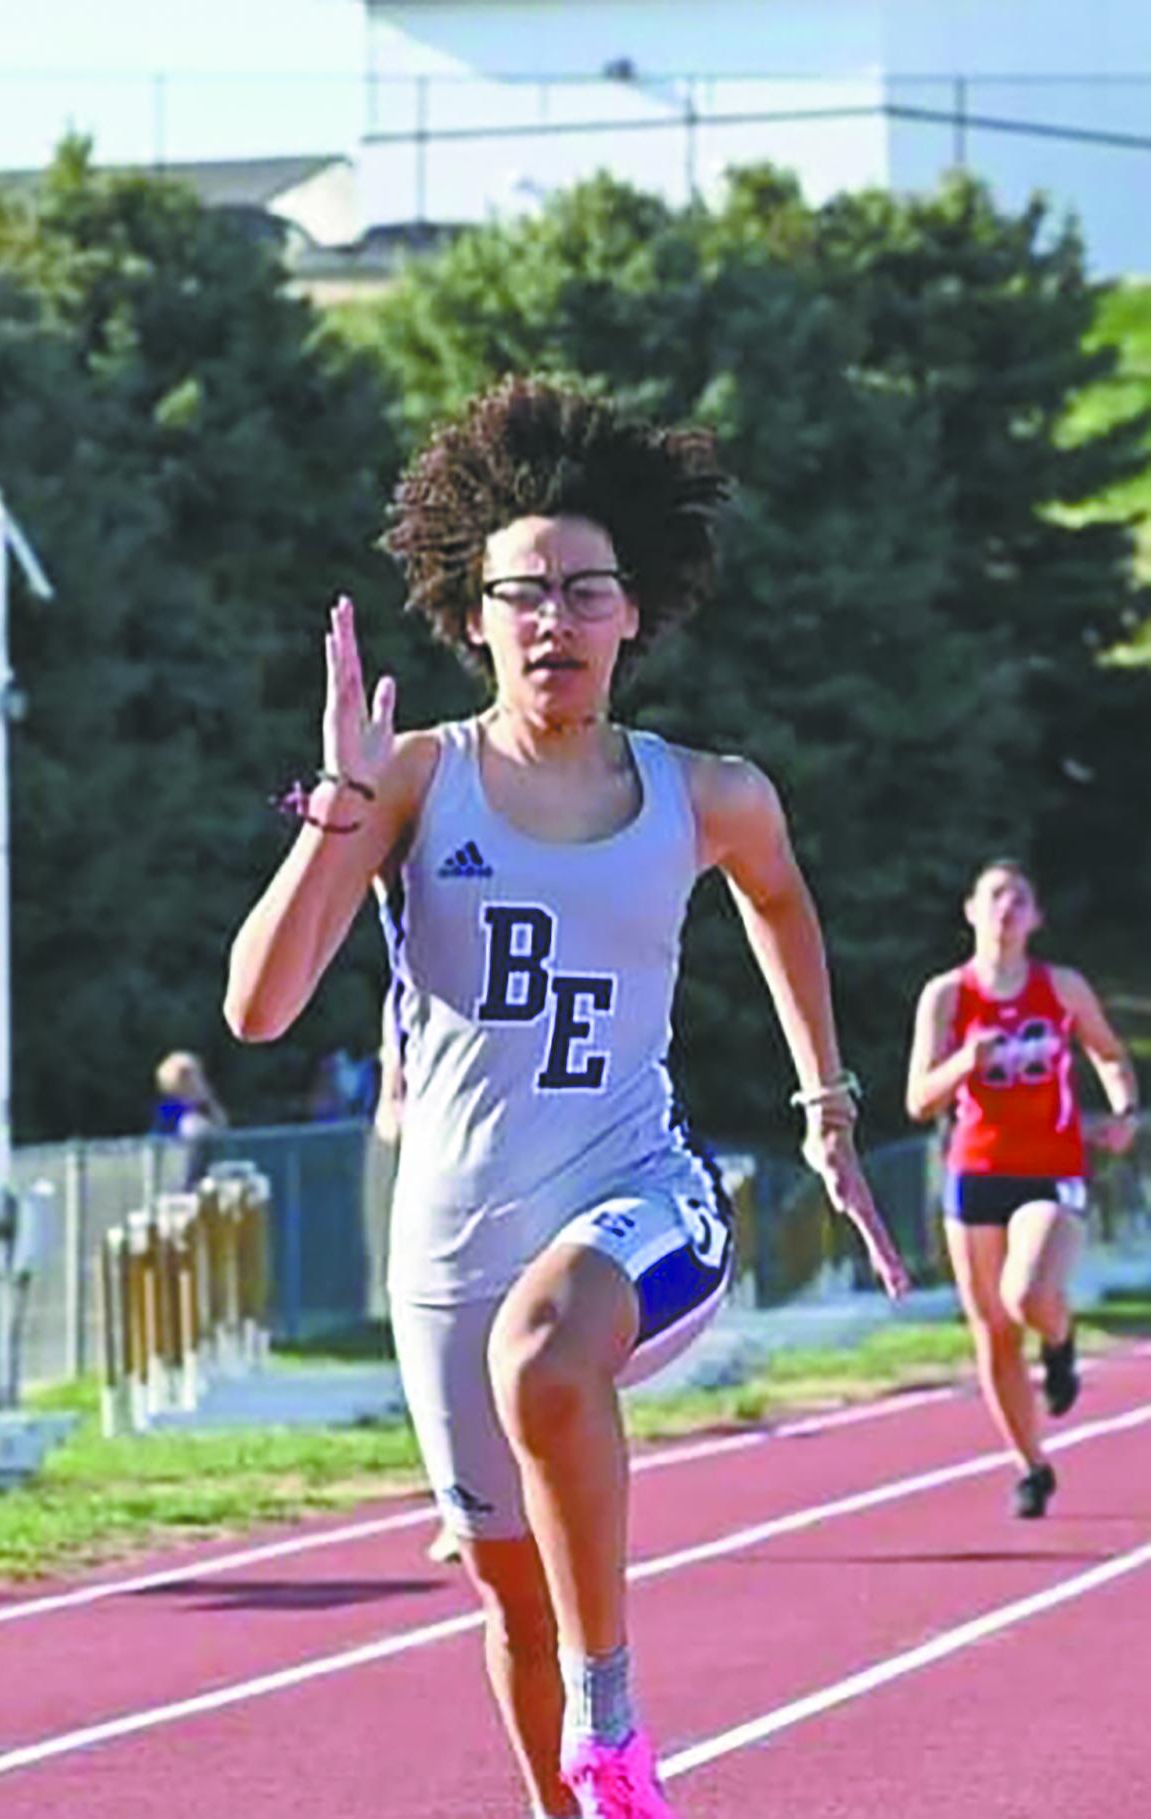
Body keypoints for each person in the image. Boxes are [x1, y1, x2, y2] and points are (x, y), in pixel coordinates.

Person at [224, 378, 909, 1819]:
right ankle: (582, 1785)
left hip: (643, 1196)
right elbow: (260, 1004)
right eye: (520, 592)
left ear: (631, 614)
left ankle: (615, 1719)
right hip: (451, 1243)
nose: (553, 619)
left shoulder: (707, 793)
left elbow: (781, 904)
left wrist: (826, 1099)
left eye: (583, 591)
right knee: (509, 1597)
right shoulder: (414, 781)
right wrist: (337, 809)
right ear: (473, 616)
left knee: (547, 1355)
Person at [905, 859, 1140, 1518]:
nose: (1006, 907)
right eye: (994, 895)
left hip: (1051, 1165)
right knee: (993, 1332)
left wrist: (1121, 1112)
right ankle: (1030, 1463)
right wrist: (962, 1062)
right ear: (971, 911)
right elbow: (917, 1099)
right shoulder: (946, 996)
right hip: (975, 1170)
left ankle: (1060, 1339)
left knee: (1026, 1291)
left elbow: (1108, 1053)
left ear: (1035, 918)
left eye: (1019, 898)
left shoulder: (1059, 986)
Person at [152, 1049, 228, 1188]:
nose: (197, 1079)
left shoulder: (204, 1105)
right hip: (173, 1175)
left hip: (202, 1173)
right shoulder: (169, 1108)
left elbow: (221, 1124)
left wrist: (206, 1098)